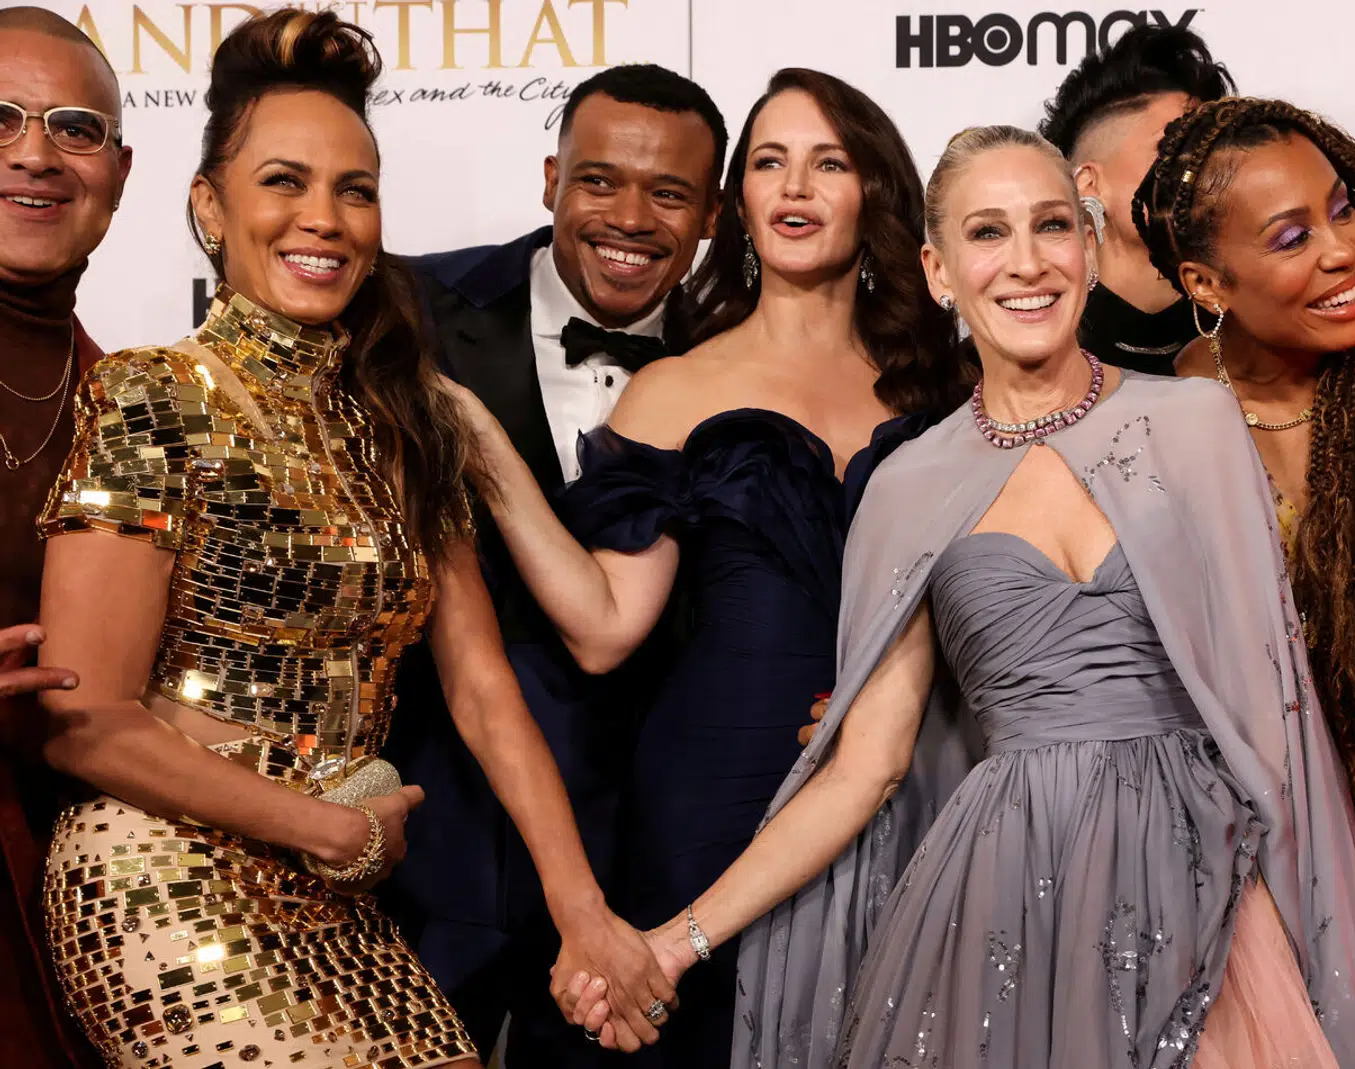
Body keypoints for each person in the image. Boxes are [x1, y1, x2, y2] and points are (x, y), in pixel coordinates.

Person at [566, 125, 1355, 1069]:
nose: (1027, 263)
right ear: (938, 272)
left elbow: (1274, 722)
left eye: (1051, 225)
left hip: (1202, 885)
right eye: (987, 233)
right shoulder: (909, 484)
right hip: (1006, 892)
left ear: (1087, 246)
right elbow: (861, 770)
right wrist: (673, 942)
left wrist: (1326, 962)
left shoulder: (1193, 422)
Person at [33, 10, 672, 1069]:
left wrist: (584, 914)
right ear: (210, 205)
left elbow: (483, 693)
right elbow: (84, 722)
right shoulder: (153, 394)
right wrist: (321, 824)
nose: (323, 219)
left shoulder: (406, 424)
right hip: (163, 870)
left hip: (341, 896)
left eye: (355, 190)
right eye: (283, 182)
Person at [442, 67, 963, 1066]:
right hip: (709, 792)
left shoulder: (943, 391)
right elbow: (604, 629)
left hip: (895, 792)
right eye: (769, 162)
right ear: (740, 202)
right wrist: (482, 442)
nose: (795, 187)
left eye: (828, 163)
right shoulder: (677, 385)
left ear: (875, 191)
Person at [382, 62, 725, 1067]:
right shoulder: (408, 308)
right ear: (550, 180)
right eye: (599, 181)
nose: (631, 219)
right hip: (428, 845)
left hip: (648, 875)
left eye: (670, 194)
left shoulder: (742, 361)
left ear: (713, 216)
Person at [1134, 96, 1355, 1059]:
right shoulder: (1153, 429)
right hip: (1276, 863)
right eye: (1292, 236)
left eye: (1344, 209)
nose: (1346, 250)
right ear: (1205, 281)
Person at [0, 7, 129, 1067]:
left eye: (73, 127)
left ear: (119, 173)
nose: (35, 153)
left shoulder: (125, 402)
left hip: (69, 886)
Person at [1037, 24, 1233, 373]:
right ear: (1088, 185)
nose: (1203, 167)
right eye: (1172, 145)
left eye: (1212, 146)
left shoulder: (1256, 341)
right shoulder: (1016, 358)